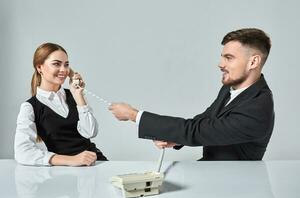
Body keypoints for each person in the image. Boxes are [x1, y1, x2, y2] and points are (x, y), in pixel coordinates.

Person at [109, 28, 275, 160]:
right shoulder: (230, 88)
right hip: (214, 173)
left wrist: (134, 115)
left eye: (229, 58)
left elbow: (197, 130)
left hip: (237, 186)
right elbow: (205, 120)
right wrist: (176, 138)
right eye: (222, 57)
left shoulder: (258, 108)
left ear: (253, 61)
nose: (220, 64)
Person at [15, 43, 107, 166]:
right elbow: (22, 152)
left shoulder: (74, 95)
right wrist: (72, 160)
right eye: (56, 64)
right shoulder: (30, 107)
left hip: (97, 162)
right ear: (39, 67)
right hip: (64, 171)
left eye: (66, 65)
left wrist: (78, 95)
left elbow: (90, 132)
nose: (64, 70)